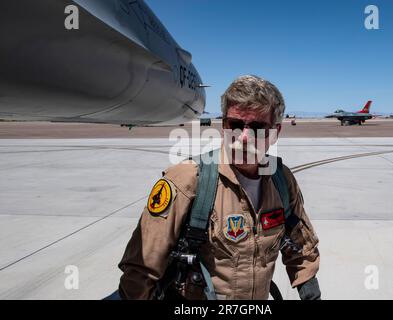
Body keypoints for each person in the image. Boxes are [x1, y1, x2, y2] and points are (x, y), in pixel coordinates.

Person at [117, 75, 321, 300]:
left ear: (275, 133)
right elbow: (141, 269)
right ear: (224, 126)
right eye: (235, 125)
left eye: (256, 127)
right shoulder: (189, 179)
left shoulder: (281, 181)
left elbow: (301, 249)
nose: (243, 138)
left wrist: (311, 294)